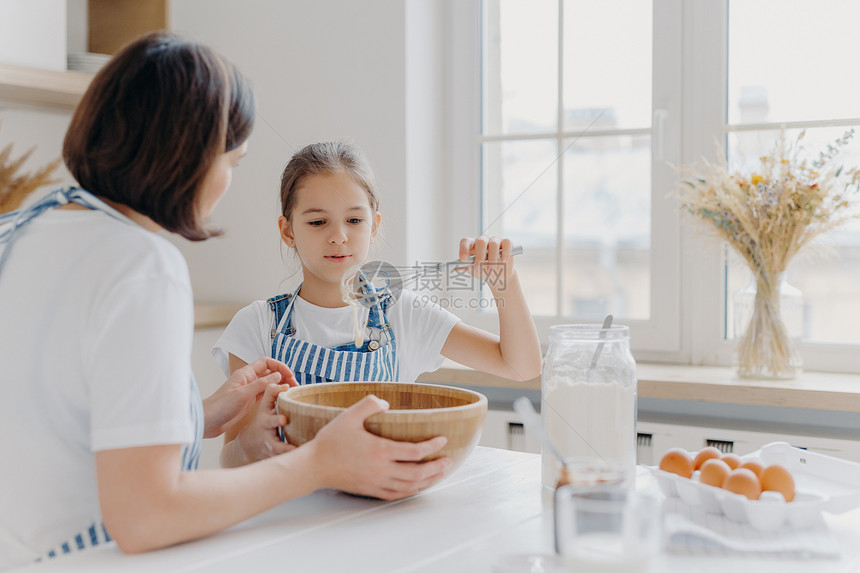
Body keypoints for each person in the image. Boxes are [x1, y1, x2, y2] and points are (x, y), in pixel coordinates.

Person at [0, 33, 450, 570]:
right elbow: (145, 516)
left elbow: (54, 411)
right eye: (232, 161)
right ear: (186, 157)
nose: (227, 182)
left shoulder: (22, 227)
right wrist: (319, 464)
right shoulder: (142, 264)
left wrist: (201, 414)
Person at [213, 141, 542, 466]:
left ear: (374, 226)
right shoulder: (257, 324)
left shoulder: (404, 313)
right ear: (288, 232)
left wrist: (505, 284)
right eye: (317, 222)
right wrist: (253, 444)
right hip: (289, 511)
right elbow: (231, 459)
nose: (339, 236)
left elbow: (521, 367)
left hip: (382, 508)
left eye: (354, 220)